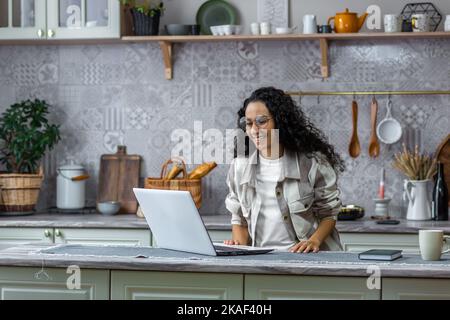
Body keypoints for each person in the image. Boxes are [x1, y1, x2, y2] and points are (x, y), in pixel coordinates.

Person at [224, 87, 345, 253]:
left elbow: (329, 213)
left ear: (280, 122)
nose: (254, 130)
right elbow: (239, 220)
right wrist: (237, 246)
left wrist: (314, 241)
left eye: (261, 121)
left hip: (308, 260)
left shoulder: (312, 163)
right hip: (261, 261)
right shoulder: (239, 167)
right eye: (249, 123)